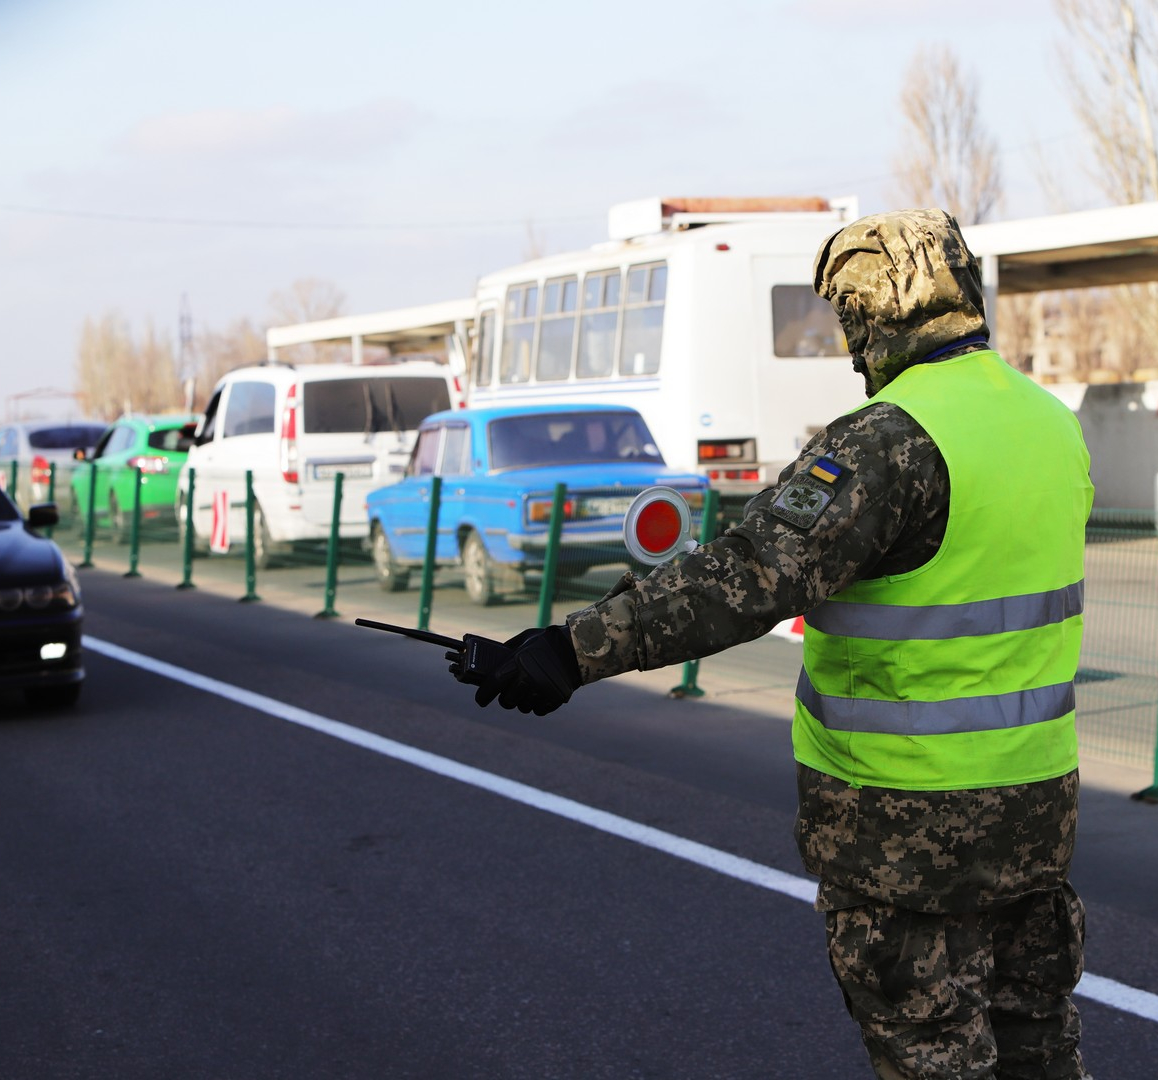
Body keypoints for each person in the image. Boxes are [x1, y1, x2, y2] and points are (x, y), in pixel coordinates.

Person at [450, 208, 1095, 1080]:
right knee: (1038, 1050)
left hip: (907, 828)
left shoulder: (889, 443)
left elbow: (745, 577)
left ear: (873, 314)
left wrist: (572, 651)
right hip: (1035, 810)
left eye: (846, 321)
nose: (847, 349)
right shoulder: (1049, 424)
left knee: (936, 1059)